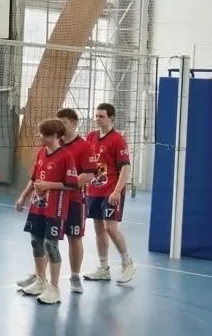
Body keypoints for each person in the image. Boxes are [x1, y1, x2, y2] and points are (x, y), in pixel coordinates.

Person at [15, 119, 78, 305]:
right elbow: (34, 179)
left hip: (55, 208)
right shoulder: (41, 152)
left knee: (51, 245)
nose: (39, 136)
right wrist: (23, 197)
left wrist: (48, 185)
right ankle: (40, 280)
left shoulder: (66, 156)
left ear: (55, 136)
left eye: (43, 134)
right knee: (36, 242)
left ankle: (54, 288)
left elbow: (71, 184)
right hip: (37, 206)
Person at [81, 102, 136, 285]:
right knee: (98, 228)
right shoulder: (91, 137)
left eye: (101, 116)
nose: (97, 119)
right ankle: (103, 268)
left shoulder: (117, 140)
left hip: (111, 190)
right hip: (94, 190)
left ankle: (127, 262)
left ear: (111, 117)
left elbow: (125, 168)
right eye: (96, 116)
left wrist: (117, 191)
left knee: (110, 227)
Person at [53, 107, 95, 294]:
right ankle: (42, 277)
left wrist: (63, 185)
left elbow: (88, 175)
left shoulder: (85, 146)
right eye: (58, 123)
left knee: (74, 238)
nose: (60, 126)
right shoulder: (54, 143)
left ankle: (75, 276)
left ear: (74, 124)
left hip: (75, 200)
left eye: (64, 123)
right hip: (53, 200)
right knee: (47, 239)